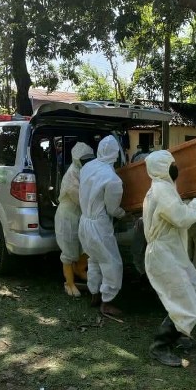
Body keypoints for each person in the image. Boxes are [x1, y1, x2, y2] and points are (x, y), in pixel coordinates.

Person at [143, 150, 196, 366]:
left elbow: (176, 213)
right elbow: (182, 217)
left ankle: (179, 333)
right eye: (171, 164)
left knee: (195, 293)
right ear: (162, 168)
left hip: (170, 252)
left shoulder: (164, 188)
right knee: (183, 300)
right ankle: (160, 346)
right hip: (162, 254)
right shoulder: (161, 190)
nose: (176, 167)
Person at [78, 135, 126, 316]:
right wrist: (124, 214)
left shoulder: (87, 167)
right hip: (99, 225)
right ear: (115, 153)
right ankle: (107, 302)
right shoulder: (112, 178)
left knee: (94, 259)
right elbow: (113, 209)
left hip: (84, 222)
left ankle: (94, 294)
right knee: (111, 263)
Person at [55, 142, 94, 297]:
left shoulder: (86, 170)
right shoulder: (71, 175)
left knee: (85, 247)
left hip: (81, 215)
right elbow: (81, 198)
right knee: (69, 250)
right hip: (68, 216)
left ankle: (79, 270)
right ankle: (69, 283)